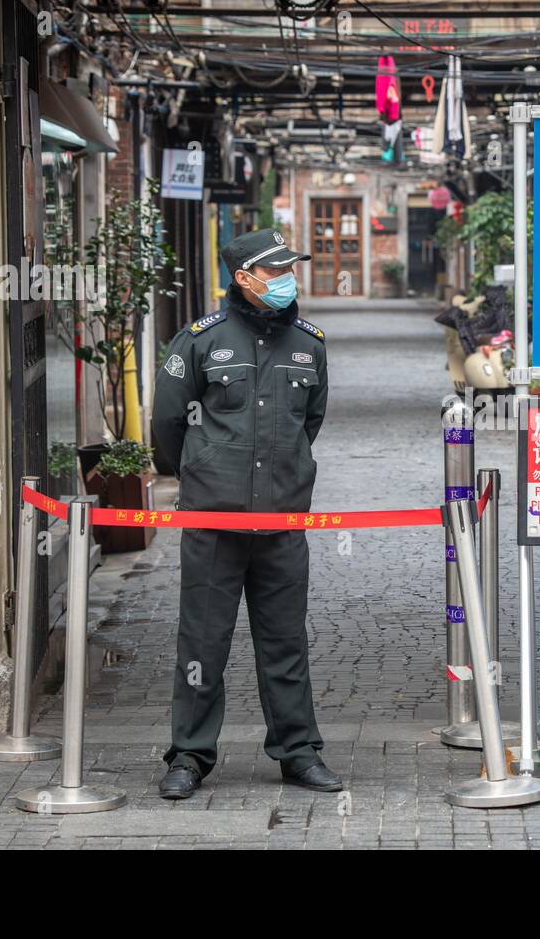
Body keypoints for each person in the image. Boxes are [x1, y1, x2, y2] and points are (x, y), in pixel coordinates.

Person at [151, 228, 341, 799]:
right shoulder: (201, 340)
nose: (286, 280)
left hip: (283, 522)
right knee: (202, 643)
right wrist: (205, 475)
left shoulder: (310, 344)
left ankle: (297, 751)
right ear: (244, 278)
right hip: (214, 522)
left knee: (286, 641)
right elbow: (166, 424)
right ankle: (189, 754)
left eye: (289, 270)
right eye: (275, 272)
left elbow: (311, 422)